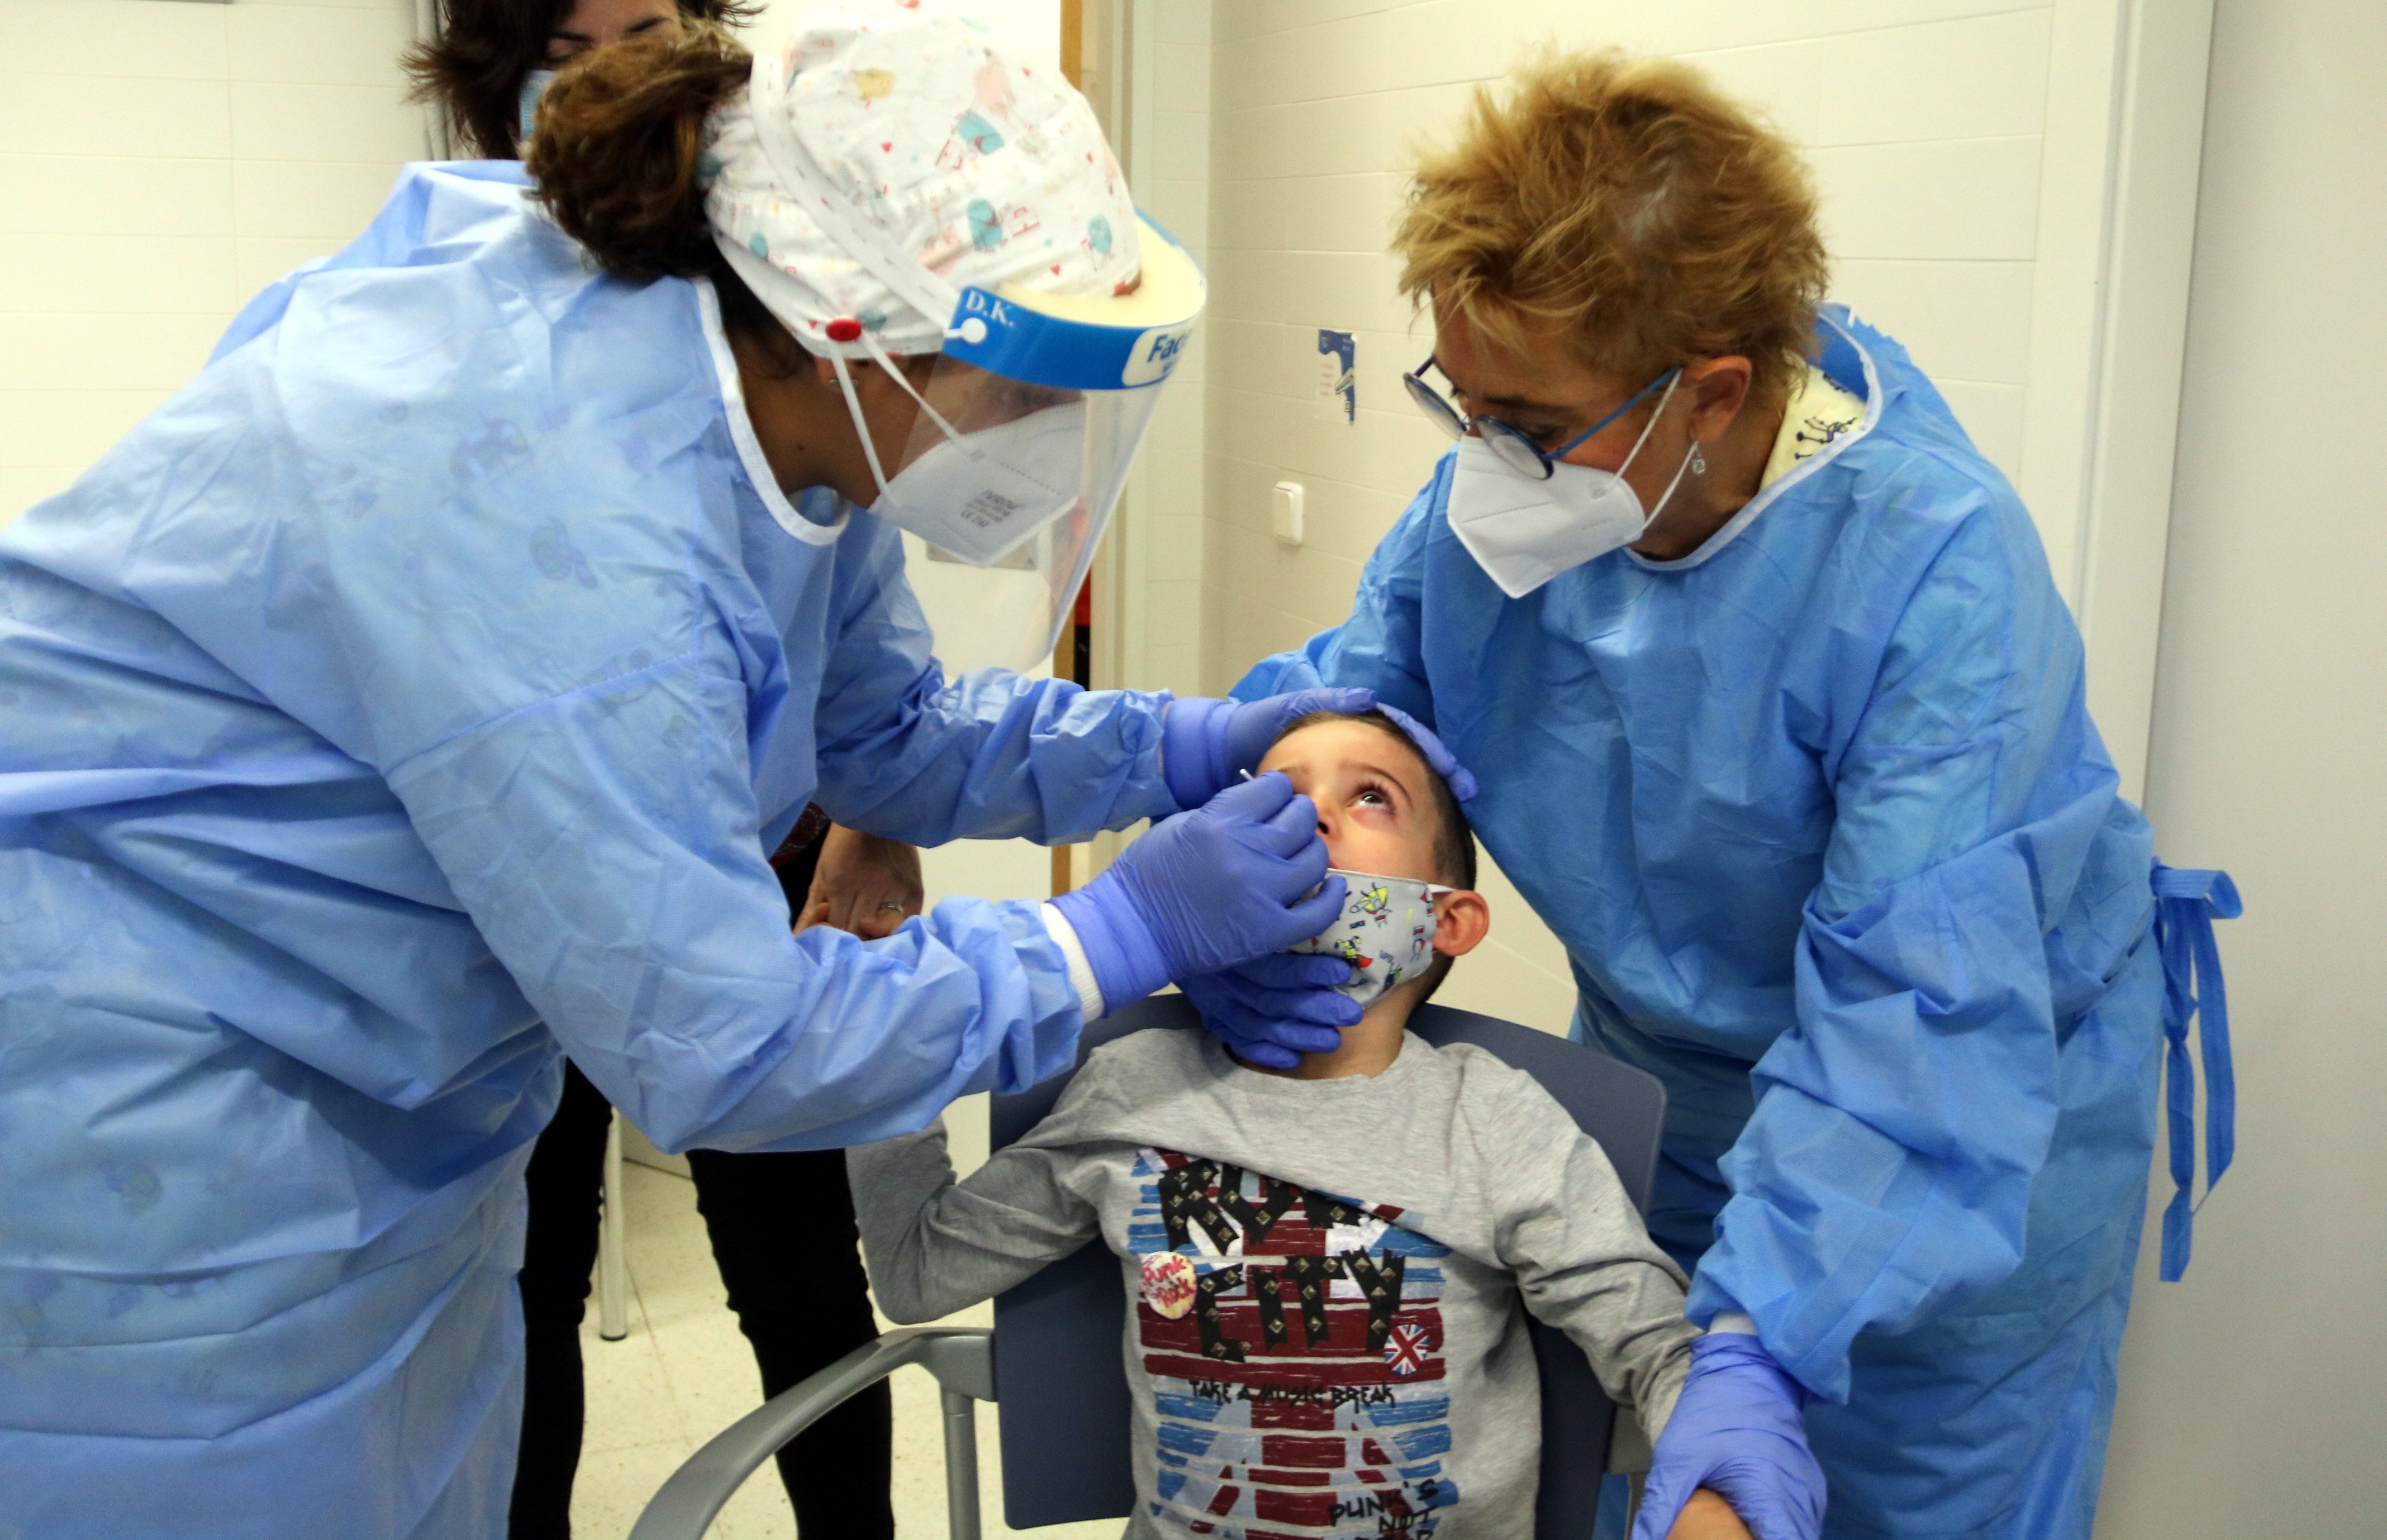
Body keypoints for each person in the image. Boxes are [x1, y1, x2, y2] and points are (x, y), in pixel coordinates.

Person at [0, 7, 1372, 1536]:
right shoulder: (559, 505)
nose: (1051, 433)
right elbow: (719, 1041)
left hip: (377, 1113)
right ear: (855, 325)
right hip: (149, 1142)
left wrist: (1171, 746)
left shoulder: (766, 410)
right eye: (1035, 382)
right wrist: (1105, 935)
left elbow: (885, 733)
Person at [1210, 47, 2238, 1540]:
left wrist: (1754, 1346)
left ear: (1712, 394)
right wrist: (1191, 843)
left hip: (1945, 1168)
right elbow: (1351, 710)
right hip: (1662, 1120)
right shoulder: (1518, 498)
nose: (1481, 462)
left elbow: (1914, 1021)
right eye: (1463, 401)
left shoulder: (1934, 574)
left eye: (1528, 422)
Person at [849, 707, 1815, 1540]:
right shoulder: (1132, 1089)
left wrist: (1718, 1476)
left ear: (1449, 920)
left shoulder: (1490, 1115)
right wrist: (894, 1023)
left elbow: (1650, 1340)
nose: (1307, 814)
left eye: (1372, 798)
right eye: (1273, 795)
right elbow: (919, 1268)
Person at [405, 3, 914, 1532]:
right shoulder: (443, 332)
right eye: (575, 36)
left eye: (649, 30)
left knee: (797, 1258)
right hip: (526, 867)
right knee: (529, 1263)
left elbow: (862, 601)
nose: (617, 69)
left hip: (757, 840)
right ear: (506, 78)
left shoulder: (769, 287)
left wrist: (876, 811)